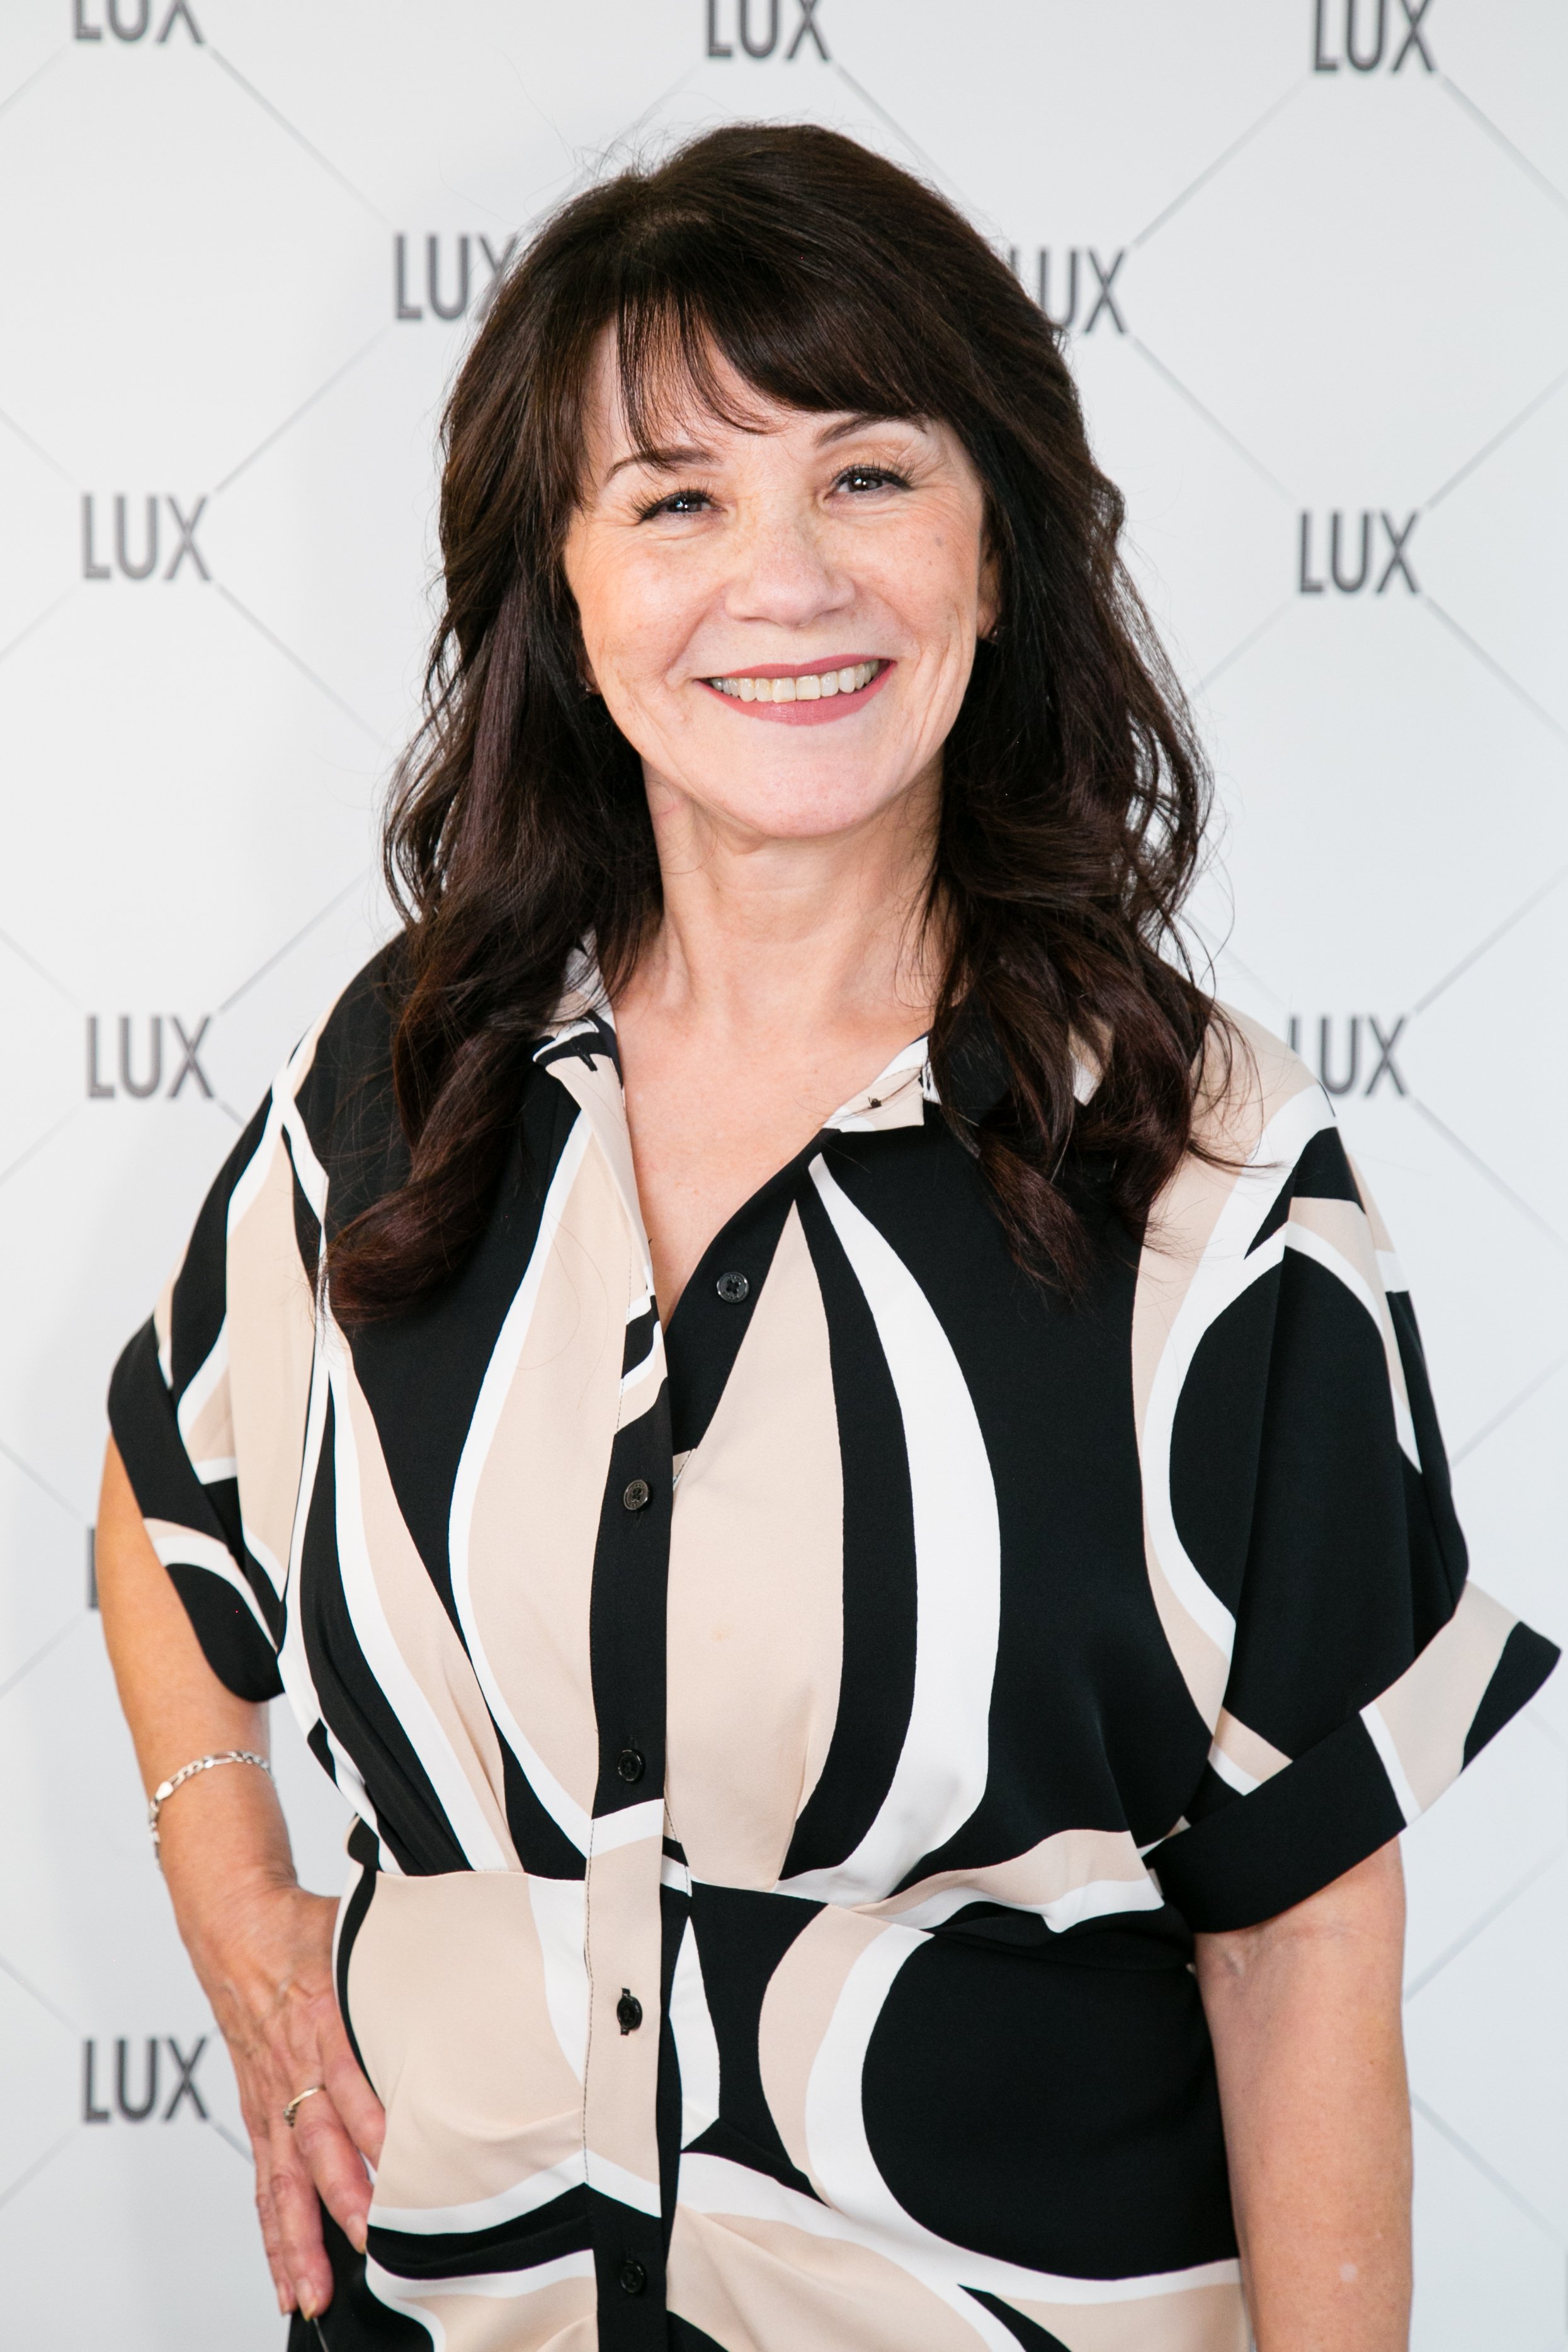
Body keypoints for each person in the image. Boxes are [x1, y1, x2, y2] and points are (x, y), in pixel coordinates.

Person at [98, 122, 1555, 2352]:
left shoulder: (1211, 1173)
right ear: (566, 602)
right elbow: (162, 1484)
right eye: (675, 498)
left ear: (1001, 554)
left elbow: (1293, 1951)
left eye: (869, 476)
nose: (783, 577)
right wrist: (240, 1918)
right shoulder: (406, 1082)